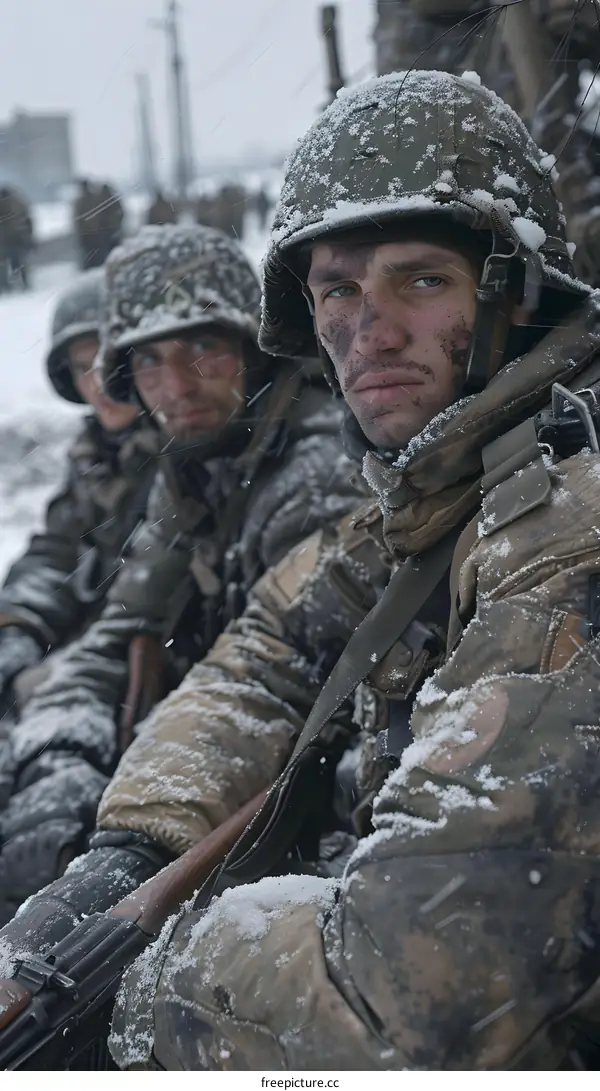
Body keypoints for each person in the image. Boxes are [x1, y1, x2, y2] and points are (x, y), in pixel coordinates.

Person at [0, 223, 358, 920]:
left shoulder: (313, 472)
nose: (177, 385)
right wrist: (61, 747)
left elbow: (275, 697)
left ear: (253, 349)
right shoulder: (195, 461)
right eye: (149, 362)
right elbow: (120, 630)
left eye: (203, 348)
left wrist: (126, 839)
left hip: (283, 800)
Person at [0, 268, 157, 716]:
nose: (97, 383)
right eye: (81, 366)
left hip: (132, 666)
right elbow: (59, 549)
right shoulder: (95, 456)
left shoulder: (184, 453)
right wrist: (19, 623)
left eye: (109, 362)